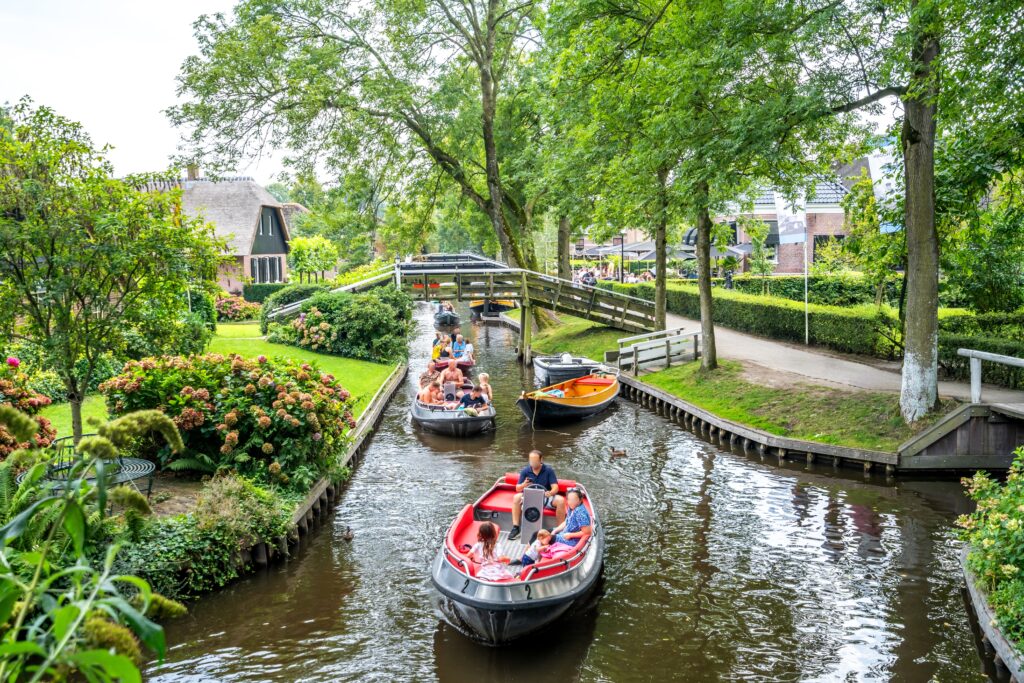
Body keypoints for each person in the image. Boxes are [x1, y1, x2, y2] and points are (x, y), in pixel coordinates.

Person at [508, 450, 565, 541]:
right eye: (531, 461)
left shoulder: (548, 470)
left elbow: (555, 487)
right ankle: (516, 527)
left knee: (561, 500)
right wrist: (523, 485)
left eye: (534, 461)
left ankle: (560, 531)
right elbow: (518, 488)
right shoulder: (525, 471)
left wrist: (550, 493)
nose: (532, 463)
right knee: (516, 497)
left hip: (545, 497)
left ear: (541, 460)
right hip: (529, 497)